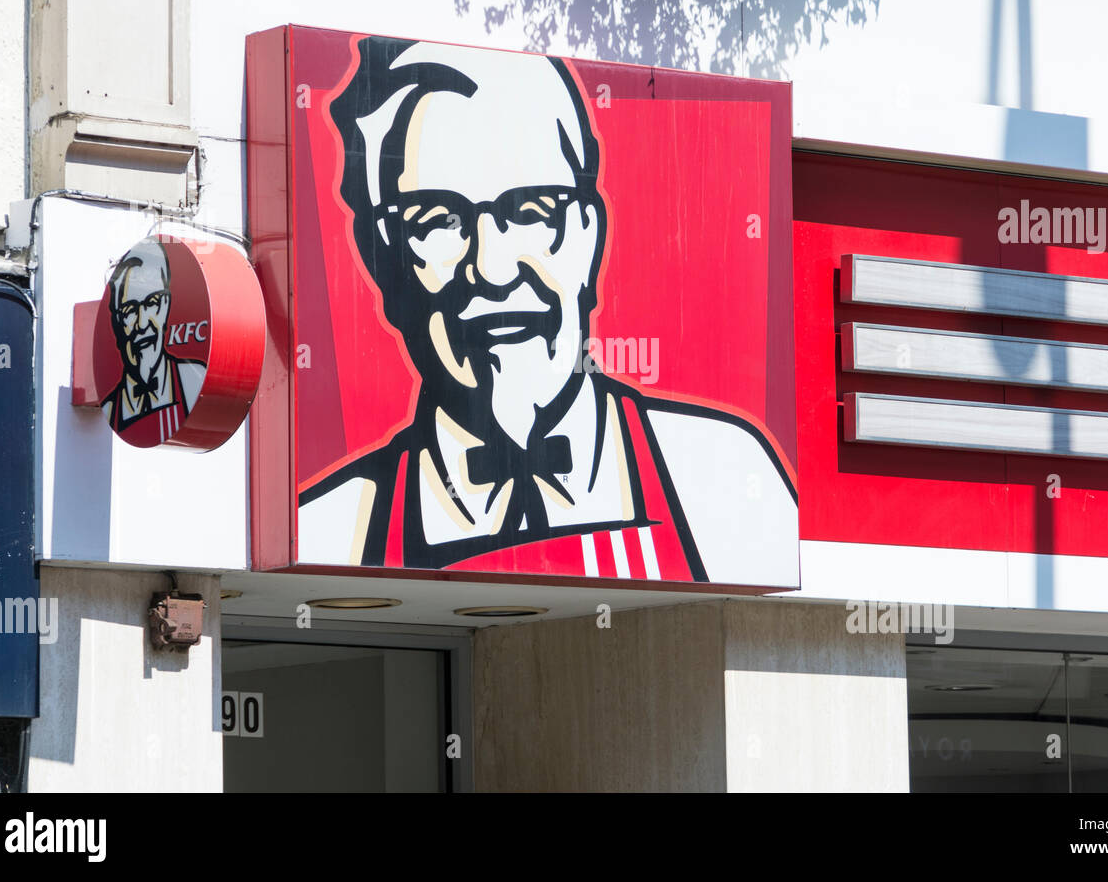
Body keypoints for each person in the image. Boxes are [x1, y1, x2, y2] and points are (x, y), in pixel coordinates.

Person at [299, 38, 795, 583]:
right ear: (383, 260)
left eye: (531, 210)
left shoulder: (721, 477)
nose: (492, 268)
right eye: (438, 219)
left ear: (589, 235)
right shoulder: (334, 526)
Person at [101, 238, 205, 445]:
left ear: (166, 306)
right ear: (117, 322)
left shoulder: (195, 381)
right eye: (130, 310)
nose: (142, 323)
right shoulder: (111, 408)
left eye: (152, 303)